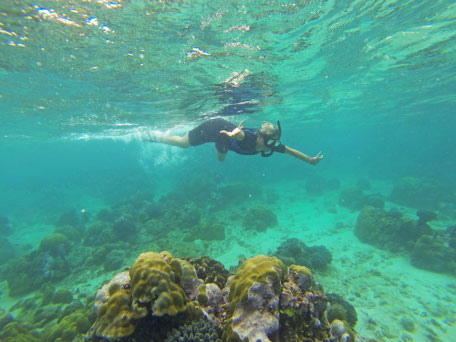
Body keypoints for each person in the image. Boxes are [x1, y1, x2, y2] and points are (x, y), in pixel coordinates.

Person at [142, 118, 323, 165]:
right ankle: (153, 136)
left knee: (221, 160)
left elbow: (291, 151)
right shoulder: (250, 138)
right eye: (269, 143)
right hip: (216, 128)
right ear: (260, 138)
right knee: (183, 144)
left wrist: (310, 160)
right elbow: (240, 136)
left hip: (225, 140)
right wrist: (236, 133)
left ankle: (219, 144)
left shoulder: (272, 144)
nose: (272, 146)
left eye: (274, 143)